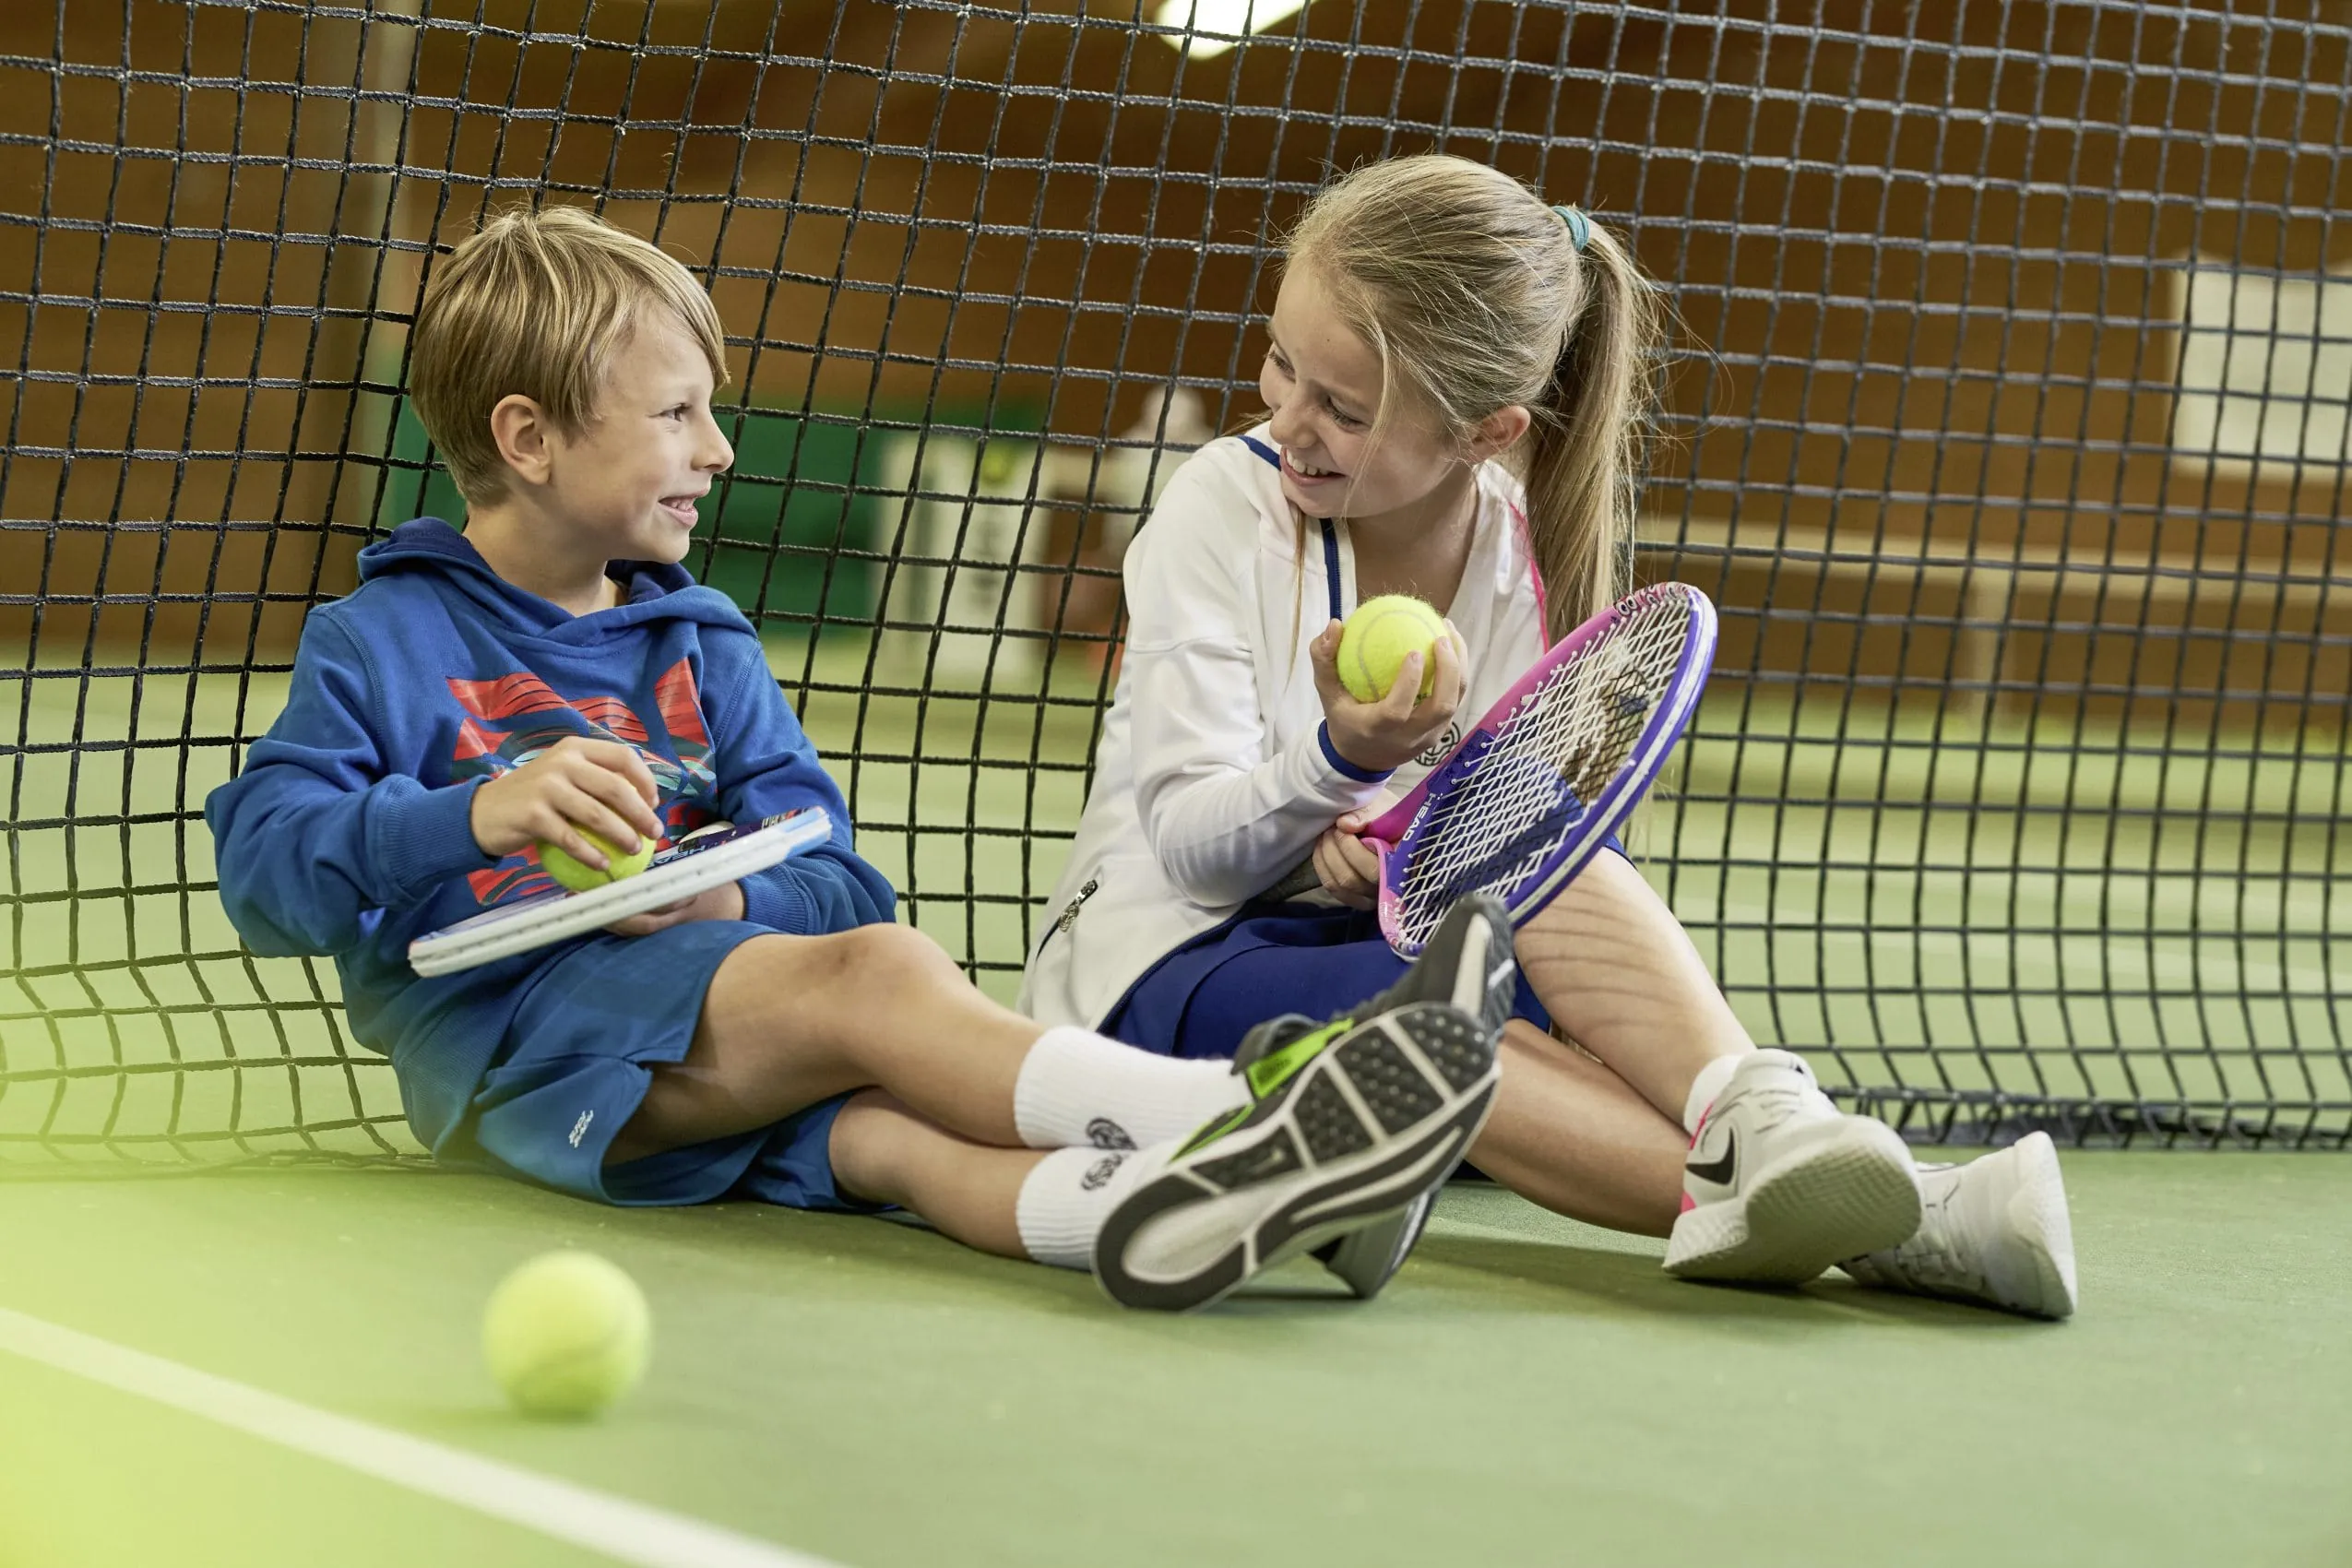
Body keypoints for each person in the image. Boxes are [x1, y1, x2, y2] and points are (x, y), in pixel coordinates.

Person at [203, 205, 1507, 1313]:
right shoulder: (380, 639)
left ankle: (1182, 1210)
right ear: (529, 439)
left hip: (690, 1031)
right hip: (510, 1052)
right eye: (675, 412)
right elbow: (266, 873)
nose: (718, 448)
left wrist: (731, 900)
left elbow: (835, 881)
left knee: (899, 1144)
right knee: (885, 979)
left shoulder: (703, 643)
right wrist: (473, 816)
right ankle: (1245, 1114)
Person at [1021, 155, 2078, 1319]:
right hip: (1161, 972)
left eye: (1345, 407)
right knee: (1436, 1032)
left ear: (1486, 431)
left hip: (1375, 946)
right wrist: (1341, 767)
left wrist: (1391, 839)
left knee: (1564, 869)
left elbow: (1490, 852)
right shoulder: (1221, 504)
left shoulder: (1514, 551)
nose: (1289, 418)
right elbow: (1188, 847)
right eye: (1283, 361)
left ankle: (1764, 1116)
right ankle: (1913, 1217)